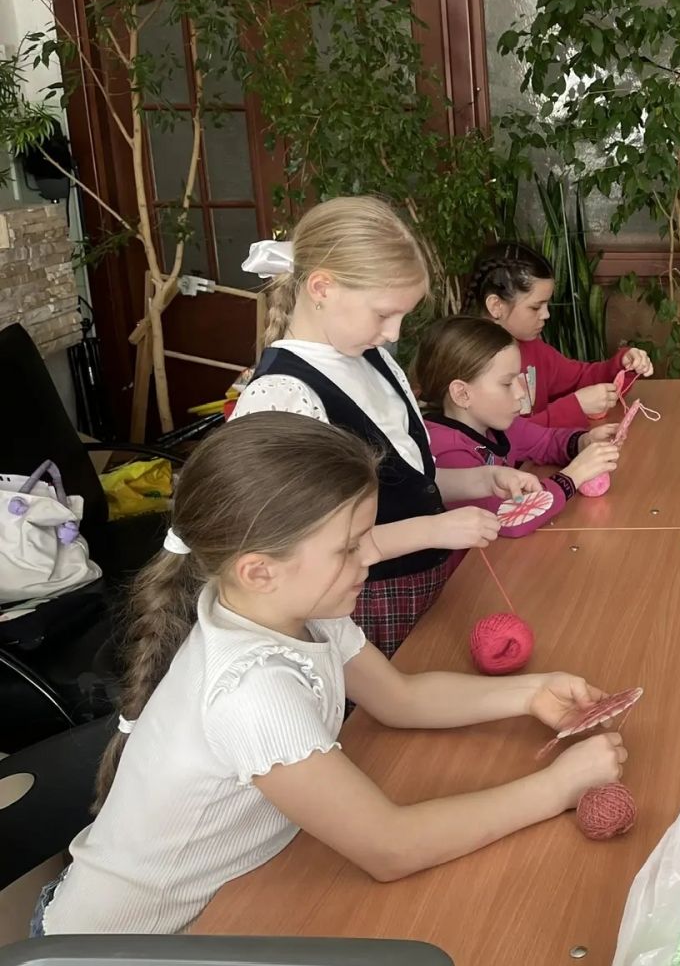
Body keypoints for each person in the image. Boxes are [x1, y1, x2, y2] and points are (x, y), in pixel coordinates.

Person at [34, 414, 627, 936]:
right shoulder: (251, 691)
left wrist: (532, 692)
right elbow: (390, 847)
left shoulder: (291, 607)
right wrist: (557, 788)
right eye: (349, 548)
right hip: (114, 961)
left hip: (226, 903)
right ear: (259, 570)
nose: (370, 556)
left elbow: (400, 698)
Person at [231, 196, 538, 656]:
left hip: (424, 585)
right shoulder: (284, 397)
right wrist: (434, 530)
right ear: (322, 288)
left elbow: (405, 482)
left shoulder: (370, 357)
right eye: (383, 314)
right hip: (363, 607)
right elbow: (309, 552)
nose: (394, 333)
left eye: (402, 316)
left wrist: (481, 479)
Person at [413, 316, 622, 538]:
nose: (521, 392)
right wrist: (574, 475)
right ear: (462, 394)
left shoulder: (499, 424)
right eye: (507, 383)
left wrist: (583, 442)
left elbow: (547, 442)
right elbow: (507, 519)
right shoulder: (446, 452)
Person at [465, 242, 653, 427]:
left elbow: (580, 379)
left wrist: (621, 365)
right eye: (535, 307)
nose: (546, 315)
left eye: (546, 304)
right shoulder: (470, 365)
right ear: (496, 306)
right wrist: (574, 407)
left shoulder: (534, 350)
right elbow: (503, 441)